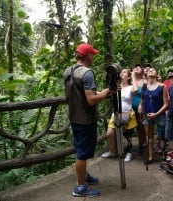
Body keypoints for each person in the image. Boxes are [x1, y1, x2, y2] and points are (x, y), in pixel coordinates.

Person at [63, 43, 112, 197]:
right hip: (85, 119)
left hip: (74, 116)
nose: (94, 57)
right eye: (92, 54)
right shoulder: (87, 73)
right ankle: (80, 187)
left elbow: (81, 94)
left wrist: (104, 91)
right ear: (87, 56)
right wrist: (107, 92)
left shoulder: (68, 70)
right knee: (82, 154)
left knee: (80, 149)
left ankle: (83, 176)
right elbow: (91, 99)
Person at [101, 68, 138, 162]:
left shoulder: (130, 87)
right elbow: (108, 93)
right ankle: (113, 151)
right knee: (110, 133)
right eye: (121, 72)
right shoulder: (117, 86)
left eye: (125, 72)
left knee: (128, 135)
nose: (122, 73)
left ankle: (129, 152)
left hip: (128, 114)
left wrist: (133, 76)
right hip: (116, 113)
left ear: (128, 76)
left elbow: (136, 89)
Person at [138, 67, 169, 164]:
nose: (151, 70)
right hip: (147, 115)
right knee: (149, 137)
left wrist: (156, 114)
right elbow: (142, 100)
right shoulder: (144, 86)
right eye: (149, 70)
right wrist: (140, 106)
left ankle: (164, 154)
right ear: (146, 75)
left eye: (153, 70)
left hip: (160, 115)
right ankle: (150, 156)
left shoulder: (162, 86)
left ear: (157, 75)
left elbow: (166, 104)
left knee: (162, 136)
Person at [131, 64, 147, 155]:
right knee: (134, 127)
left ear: (142, 71)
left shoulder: (144, 81)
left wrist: (141, 104)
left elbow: (145, 95)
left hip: (141, 108)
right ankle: (131, 144)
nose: (137, 68)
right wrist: (133, 76)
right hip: (130, 108)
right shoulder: (130, 81)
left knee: (141, 126)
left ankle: (141, 145)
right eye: (135, 67)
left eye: (139, 67)